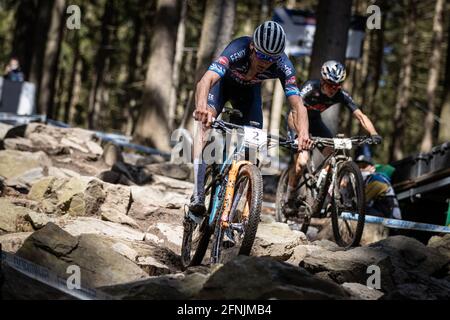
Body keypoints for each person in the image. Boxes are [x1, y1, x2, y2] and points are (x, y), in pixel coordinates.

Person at [190, 21, 312, 217]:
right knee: (205, 126)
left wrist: (303, 133)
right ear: (253, 46)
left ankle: (230, 214)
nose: (265, 62)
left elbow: (298, 105)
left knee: (252, 153)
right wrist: (202, 108)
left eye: (271, 59)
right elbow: (206, 80)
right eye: (262, 55)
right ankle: (197, 194)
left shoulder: (283, 64)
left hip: (248, 95)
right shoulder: (238, 48)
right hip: (222, 87)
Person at [284, 60, 382, 214]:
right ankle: (289, 197)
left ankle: (327, 191)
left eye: (337, 86)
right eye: (330, 84)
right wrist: (302, 133)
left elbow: (361, 116)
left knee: (333, 154)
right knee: (302, 162)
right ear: (323, 81)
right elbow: (295, 110)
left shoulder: (341, 95)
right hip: (296, 120)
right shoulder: (311, 87)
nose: (333, 89)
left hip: (315, 122)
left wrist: (374, 133)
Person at [355, 155, 402, 220]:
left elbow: (362, 202)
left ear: (373, 168)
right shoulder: (367, 181)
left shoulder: (378, 179)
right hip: (381, 214)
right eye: (358, 167)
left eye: (364, 166)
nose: (360, 169)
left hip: (391, 219)